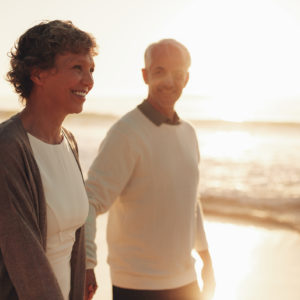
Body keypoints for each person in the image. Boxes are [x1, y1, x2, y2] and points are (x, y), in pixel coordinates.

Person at [84, 39, 215, 300]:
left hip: (186, 281)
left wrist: (205, 257)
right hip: (137, 285)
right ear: (145, 75)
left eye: (178, 74)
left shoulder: (188, 133)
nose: (169, 81)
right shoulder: (126, 133)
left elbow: (191, 202)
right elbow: (90, 201)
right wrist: (87, 265)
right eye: (159, 71)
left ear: (186, 79)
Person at [0, 20, 97, 300]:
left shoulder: (68, 141)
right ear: (39, 74)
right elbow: (23, 256)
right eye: (76, 68)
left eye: (91, 69)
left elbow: (72, 242)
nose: (89, 81)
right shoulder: (8, 148)